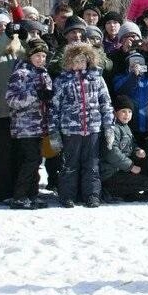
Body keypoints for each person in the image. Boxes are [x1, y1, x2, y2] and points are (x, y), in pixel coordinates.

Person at [49, 42, 113, 208]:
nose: (78, 64)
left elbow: (105, 103)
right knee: (70, 164)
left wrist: (108, 127)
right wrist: (53, 132)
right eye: (75, 61)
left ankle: (91, 195)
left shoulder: (97, 78)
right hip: (71, 130)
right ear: (69, 62)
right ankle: (67, 196)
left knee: (92, 165)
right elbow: (54, 107)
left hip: (93, 129)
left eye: (82, 61)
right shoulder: (62, 80)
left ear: (88, 60)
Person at [4, 39, 52, 209]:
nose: (40, 59)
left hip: (41, 126)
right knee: (30, 160)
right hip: (24, 126)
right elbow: (11, 99)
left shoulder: (45, 74)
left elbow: (46, 98)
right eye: (37, 55)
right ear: (30, 56)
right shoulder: (20, 73)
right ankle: (19, 196)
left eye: (43, 56)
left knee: (36, 161)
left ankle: (31, 195)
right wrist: (35, 95)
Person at [0, 16, 26, 204]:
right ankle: (2, 192)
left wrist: (24, 38)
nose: (2, 28)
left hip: (19, 112)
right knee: (1, 154)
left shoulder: (18, 49)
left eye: (5, 25)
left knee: (18, 153)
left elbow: (34, 59)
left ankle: (19, 190)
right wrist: (7, 36)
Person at [100, 96, 148, 202]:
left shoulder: (125, 127)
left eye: (129, 112)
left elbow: (131, 144)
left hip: (120, 170)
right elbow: (111, 152)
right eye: (123, 111)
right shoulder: (112, 127)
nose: (127, 115)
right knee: (145, 182)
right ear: (115, 112)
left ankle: (129, 194)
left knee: (147, 165)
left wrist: (137, 150)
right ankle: (109, 191)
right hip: (109, 174)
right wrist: (130, 166)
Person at [113, 51, 148, 149]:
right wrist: (134, 76)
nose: (137, 66)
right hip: (130, 126)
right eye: (133, 64)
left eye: (140, 64)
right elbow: (121, 90)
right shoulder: (120, 78)